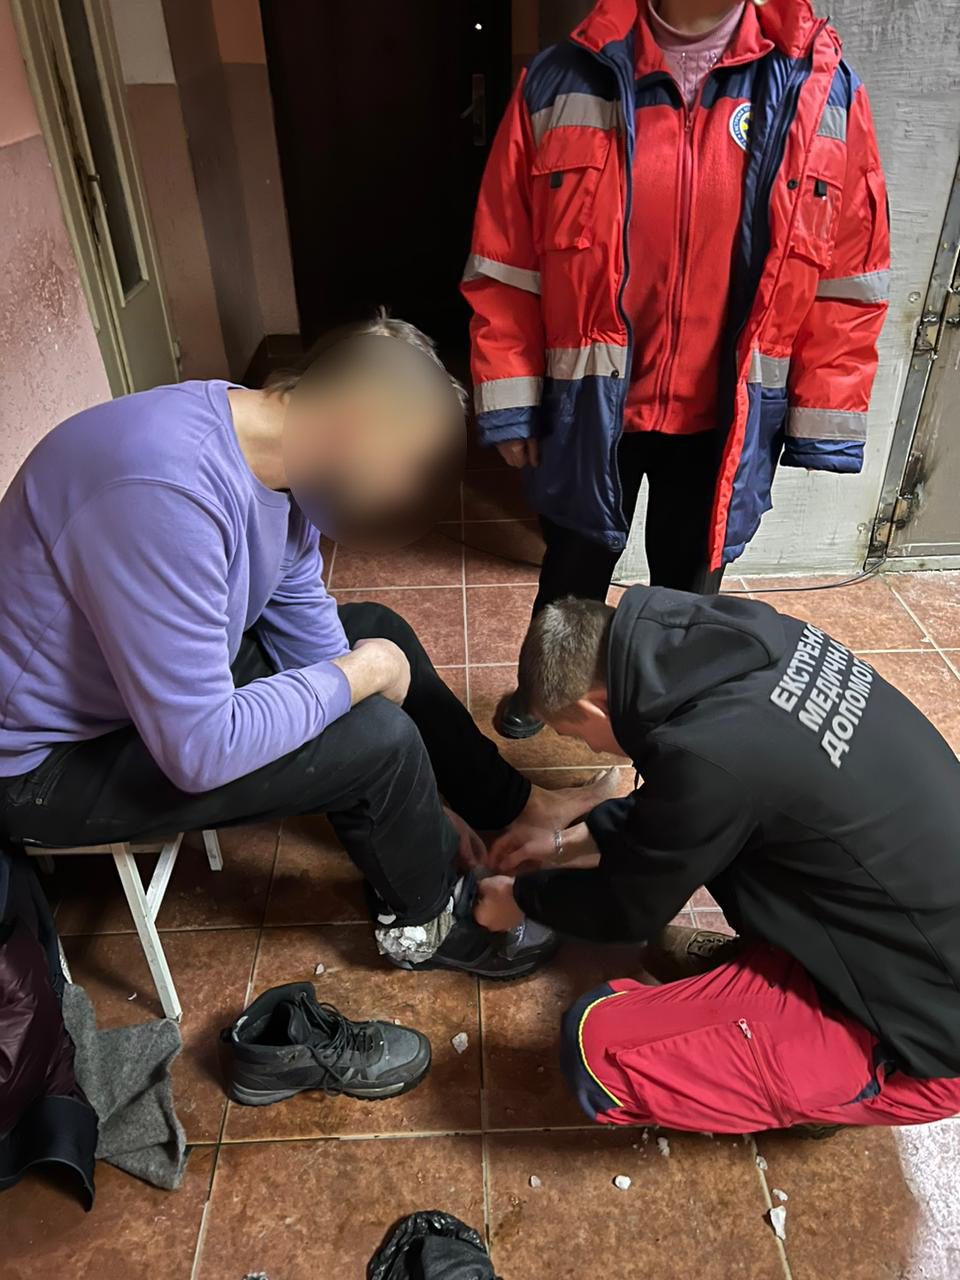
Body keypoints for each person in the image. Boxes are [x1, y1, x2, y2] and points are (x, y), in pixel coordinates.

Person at [0, 314, 614, 991]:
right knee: (377, 736)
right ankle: (427, 922)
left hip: (134, 686)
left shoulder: (272, 450)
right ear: (354, 424)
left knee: (377, 633)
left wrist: (421, 804)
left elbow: (301, 616)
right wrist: (366, 678)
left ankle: (507, 809)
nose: (405, 494)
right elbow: (199, 749)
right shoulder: (161, 492)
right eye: (406, 468)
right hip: (45, 762)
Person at [462, 0, 890, 739]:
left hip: (724, 416)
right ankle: (547, 687)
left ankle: (669, 722)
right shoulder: (562, 78)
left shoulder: (819, 86)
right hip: (590, 404)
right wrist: (511, 400)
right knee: (571, 568)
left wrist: (822, 413)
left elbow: (849, 274)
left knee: (690, 595)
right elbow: (506, 262)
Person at [473, 588, 960, 1133]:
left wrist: (521, 900)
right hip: (912, 916)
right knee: (747, 846)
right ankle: (774, 975)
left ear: (593, 705)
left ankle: (826, 1085)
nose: (591, 748)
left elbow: (627, 910)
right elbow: (693, 802)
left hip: (930, 1031)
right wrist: (564, 844)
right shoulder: (743, 647)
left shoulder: (707, 763)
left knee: (596, 1053)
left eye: (576, 735)